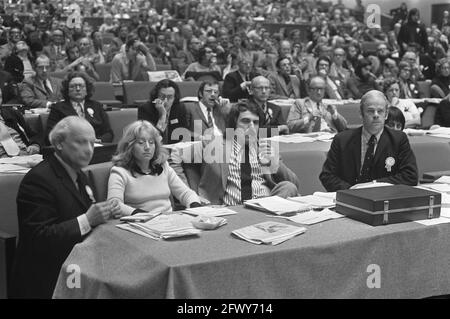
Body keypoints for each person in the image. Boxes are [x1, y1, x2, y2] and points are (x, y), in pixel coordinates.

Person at [10, 116, 118, 298]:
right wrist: (88, 219)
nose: (89, 150)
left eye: (92, 143)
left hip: (78, 265)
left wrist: (105, 214)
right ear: (59, 144)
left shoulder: (79, 174)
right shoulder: (38, 180)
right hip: (46, 276)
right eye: (81, 143)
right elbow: (39, 238)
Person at [196, 101, 300, 205]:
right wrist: (193, 196)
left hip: (263, 205)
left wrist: (275, 162)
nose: (251, 127)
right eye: (245, 121)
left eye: (255, 123)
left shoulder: (264, 147)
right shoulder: (215, 145)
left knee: (288, 187)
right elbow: (179, 156)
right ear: (234, 124)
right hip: (231, 207)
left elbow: (294, 183)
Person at [319, 90, 418, 191]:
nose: (376, 115)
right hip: (350, 199)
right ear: (361, 114)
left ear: (386, 114)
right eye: (370, 111)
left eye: (380, 111)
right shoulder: (342, 140)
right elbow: (327, 176)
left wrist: (374, 185)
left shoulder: (399, 139)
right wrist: (351, 191)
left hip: (383, 198)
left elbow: (410, 176)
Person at [107, 120, 201, 217]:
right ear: (129, 146)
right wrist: (138, 214)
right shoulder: (119, 171)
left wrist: (194, 205)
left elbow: (186, 193)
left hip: (169, 222)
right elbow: (114, 204)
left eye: (151, 142)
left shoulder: (164, 167)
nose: (147, 147)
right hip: (140, 223)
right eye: (141, 143)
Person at [45, 71, 113, 144]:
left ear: (87, 90)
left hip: (97, 146)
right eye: (73, 86)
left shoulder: (97, 106)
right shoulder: (58, 108)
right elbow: (51, 134)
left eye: (81, 86)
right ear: (67, 90)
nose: (77, 89)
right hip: (71, 148)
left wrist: (99, 140)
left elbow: (108, 133)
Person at [138, 79, 187, 144]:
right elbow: (148, 138)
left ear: (175, 98)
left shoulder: (180, 108)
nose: (166, 101)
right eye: (162, 96)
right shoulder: (146, 109)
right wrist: (163, 116)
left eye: (170, 97)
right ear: (156, 96)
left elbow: (183, 135)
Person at [0, 87, 41, 157]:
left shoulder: (12, 113)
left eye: (0, 97)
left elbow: (33, 135)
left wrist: (35, 145)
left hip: (26, 154)